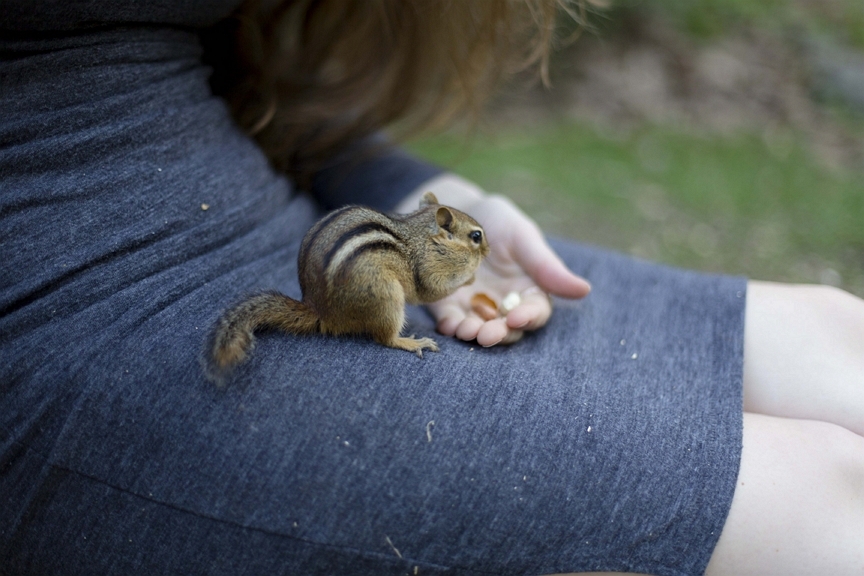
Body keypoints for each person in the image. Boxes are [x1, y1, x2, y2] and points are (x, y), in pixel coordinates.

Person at [1, 1, 861, 575]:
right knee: (825, 497)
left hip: (277, 216)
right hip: (78, 312)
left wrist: (411, 191)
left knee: (837, 340)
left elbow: (226, 67)